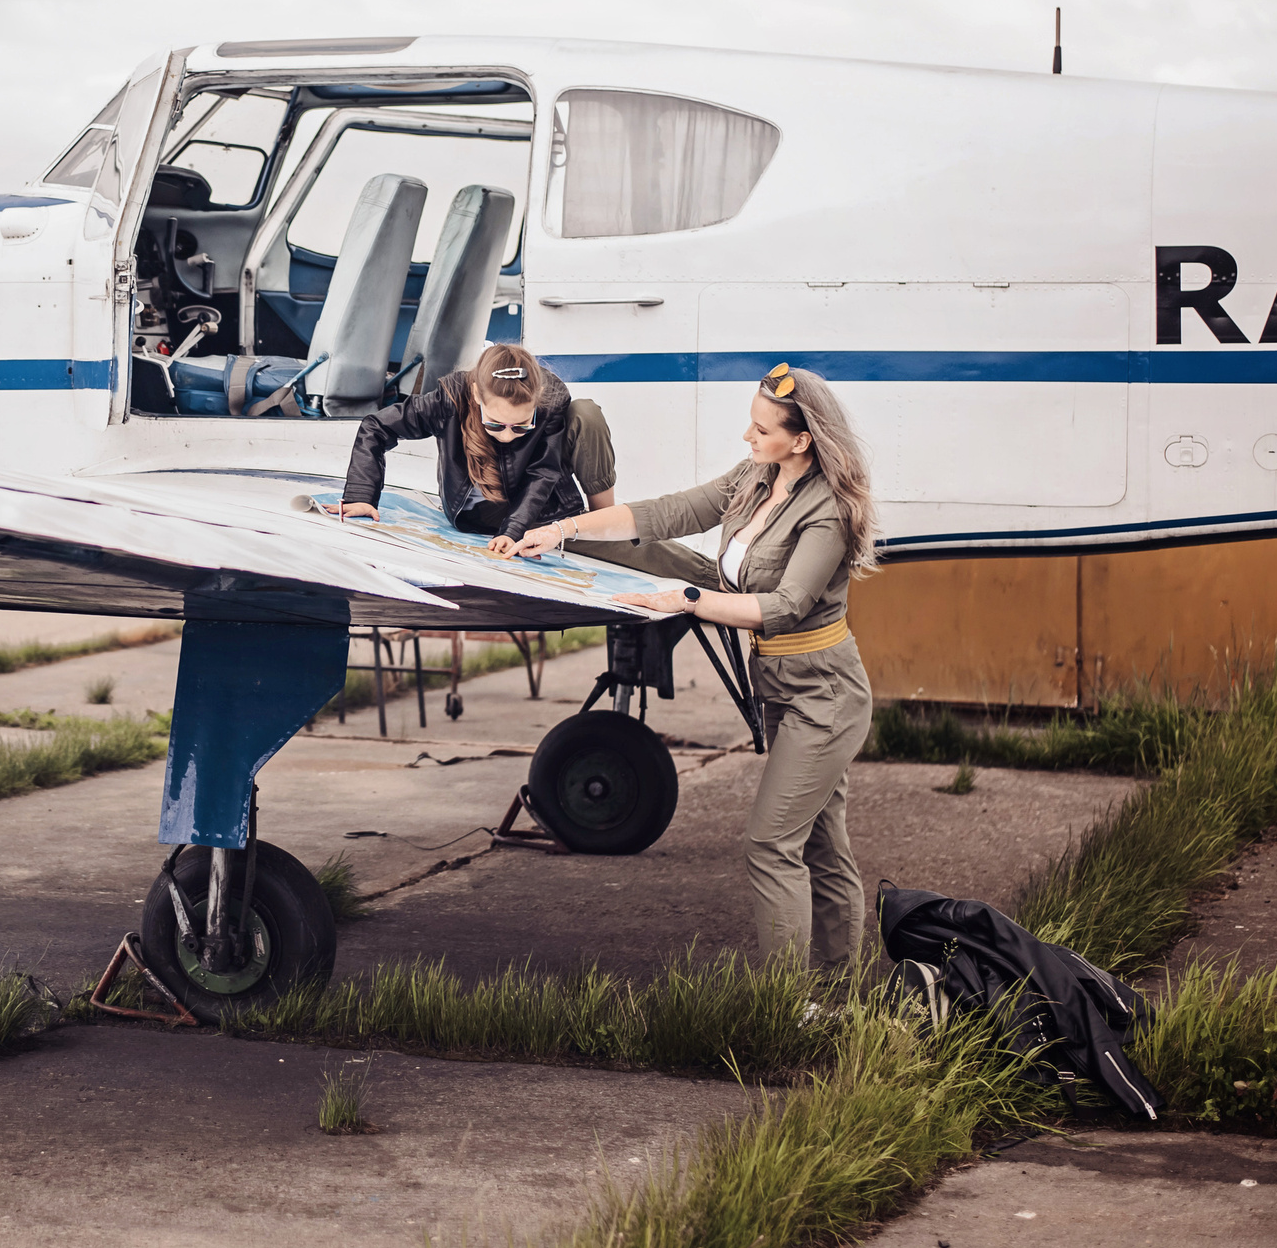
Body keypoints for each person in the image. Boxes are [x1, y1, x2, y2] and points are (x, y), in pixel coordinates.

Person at [511, 364, 881, 967]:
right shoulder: (757, 476)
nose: (748, 438)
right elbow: (668, 513)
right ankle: (835, 1000)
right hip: (781, 686)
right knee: (821, 842)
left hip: (824, 693)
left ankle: (785, 1008)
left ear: (803, 441)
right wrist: (561, 530)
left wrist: (685, 599)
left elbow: (784, 607)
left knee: (771, 842)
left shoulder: (829, 511)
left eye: (761, 430)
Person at [338, 342, 582, 540]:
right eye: (495, 424)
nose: (507, 436)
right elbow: (376, 426)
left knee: (587, 413)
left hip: (530, 508)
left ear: (537, 398)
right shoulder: (449, 400)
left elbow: (542, 472)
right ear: (476, 394)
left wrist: (513, 531)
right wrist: (362, 495)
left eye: (520, 427)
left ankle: (599, 515)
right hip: (476, 513)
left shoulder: (551, 402)